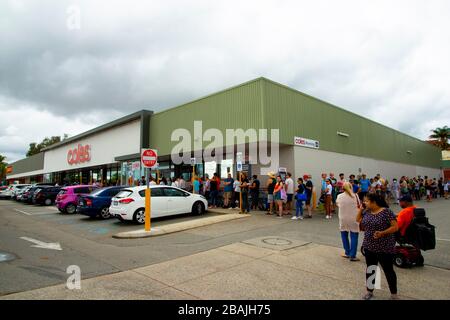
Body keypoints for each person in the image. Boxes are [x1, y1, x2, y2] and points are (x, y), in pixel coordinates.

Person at [357, 193, 399, 300]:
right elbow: (358, 220)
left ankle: (394, 295)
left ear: (373, 202)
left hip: (384, 247)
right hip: (369, 246)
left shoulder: (386, 212)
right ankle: (369, 291)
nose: (364, 202)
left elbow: (395, 227)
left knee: (388, 270)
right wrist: (361, 209)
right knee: (371, 269)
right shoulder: (367, 211)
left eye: (366, 201)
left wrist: (382, 233)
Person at [336, 182, 361, 261]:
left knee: (344, 235)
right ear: (351, 187)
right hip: (354, 218)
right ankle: (352, 255)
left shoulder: (339, 196)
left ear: (342, 188)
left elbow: (338, 204)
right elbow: (359, 205)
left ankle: (347, 252)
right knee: (354, 236)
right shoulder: (356, 196)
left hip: (343, 218)